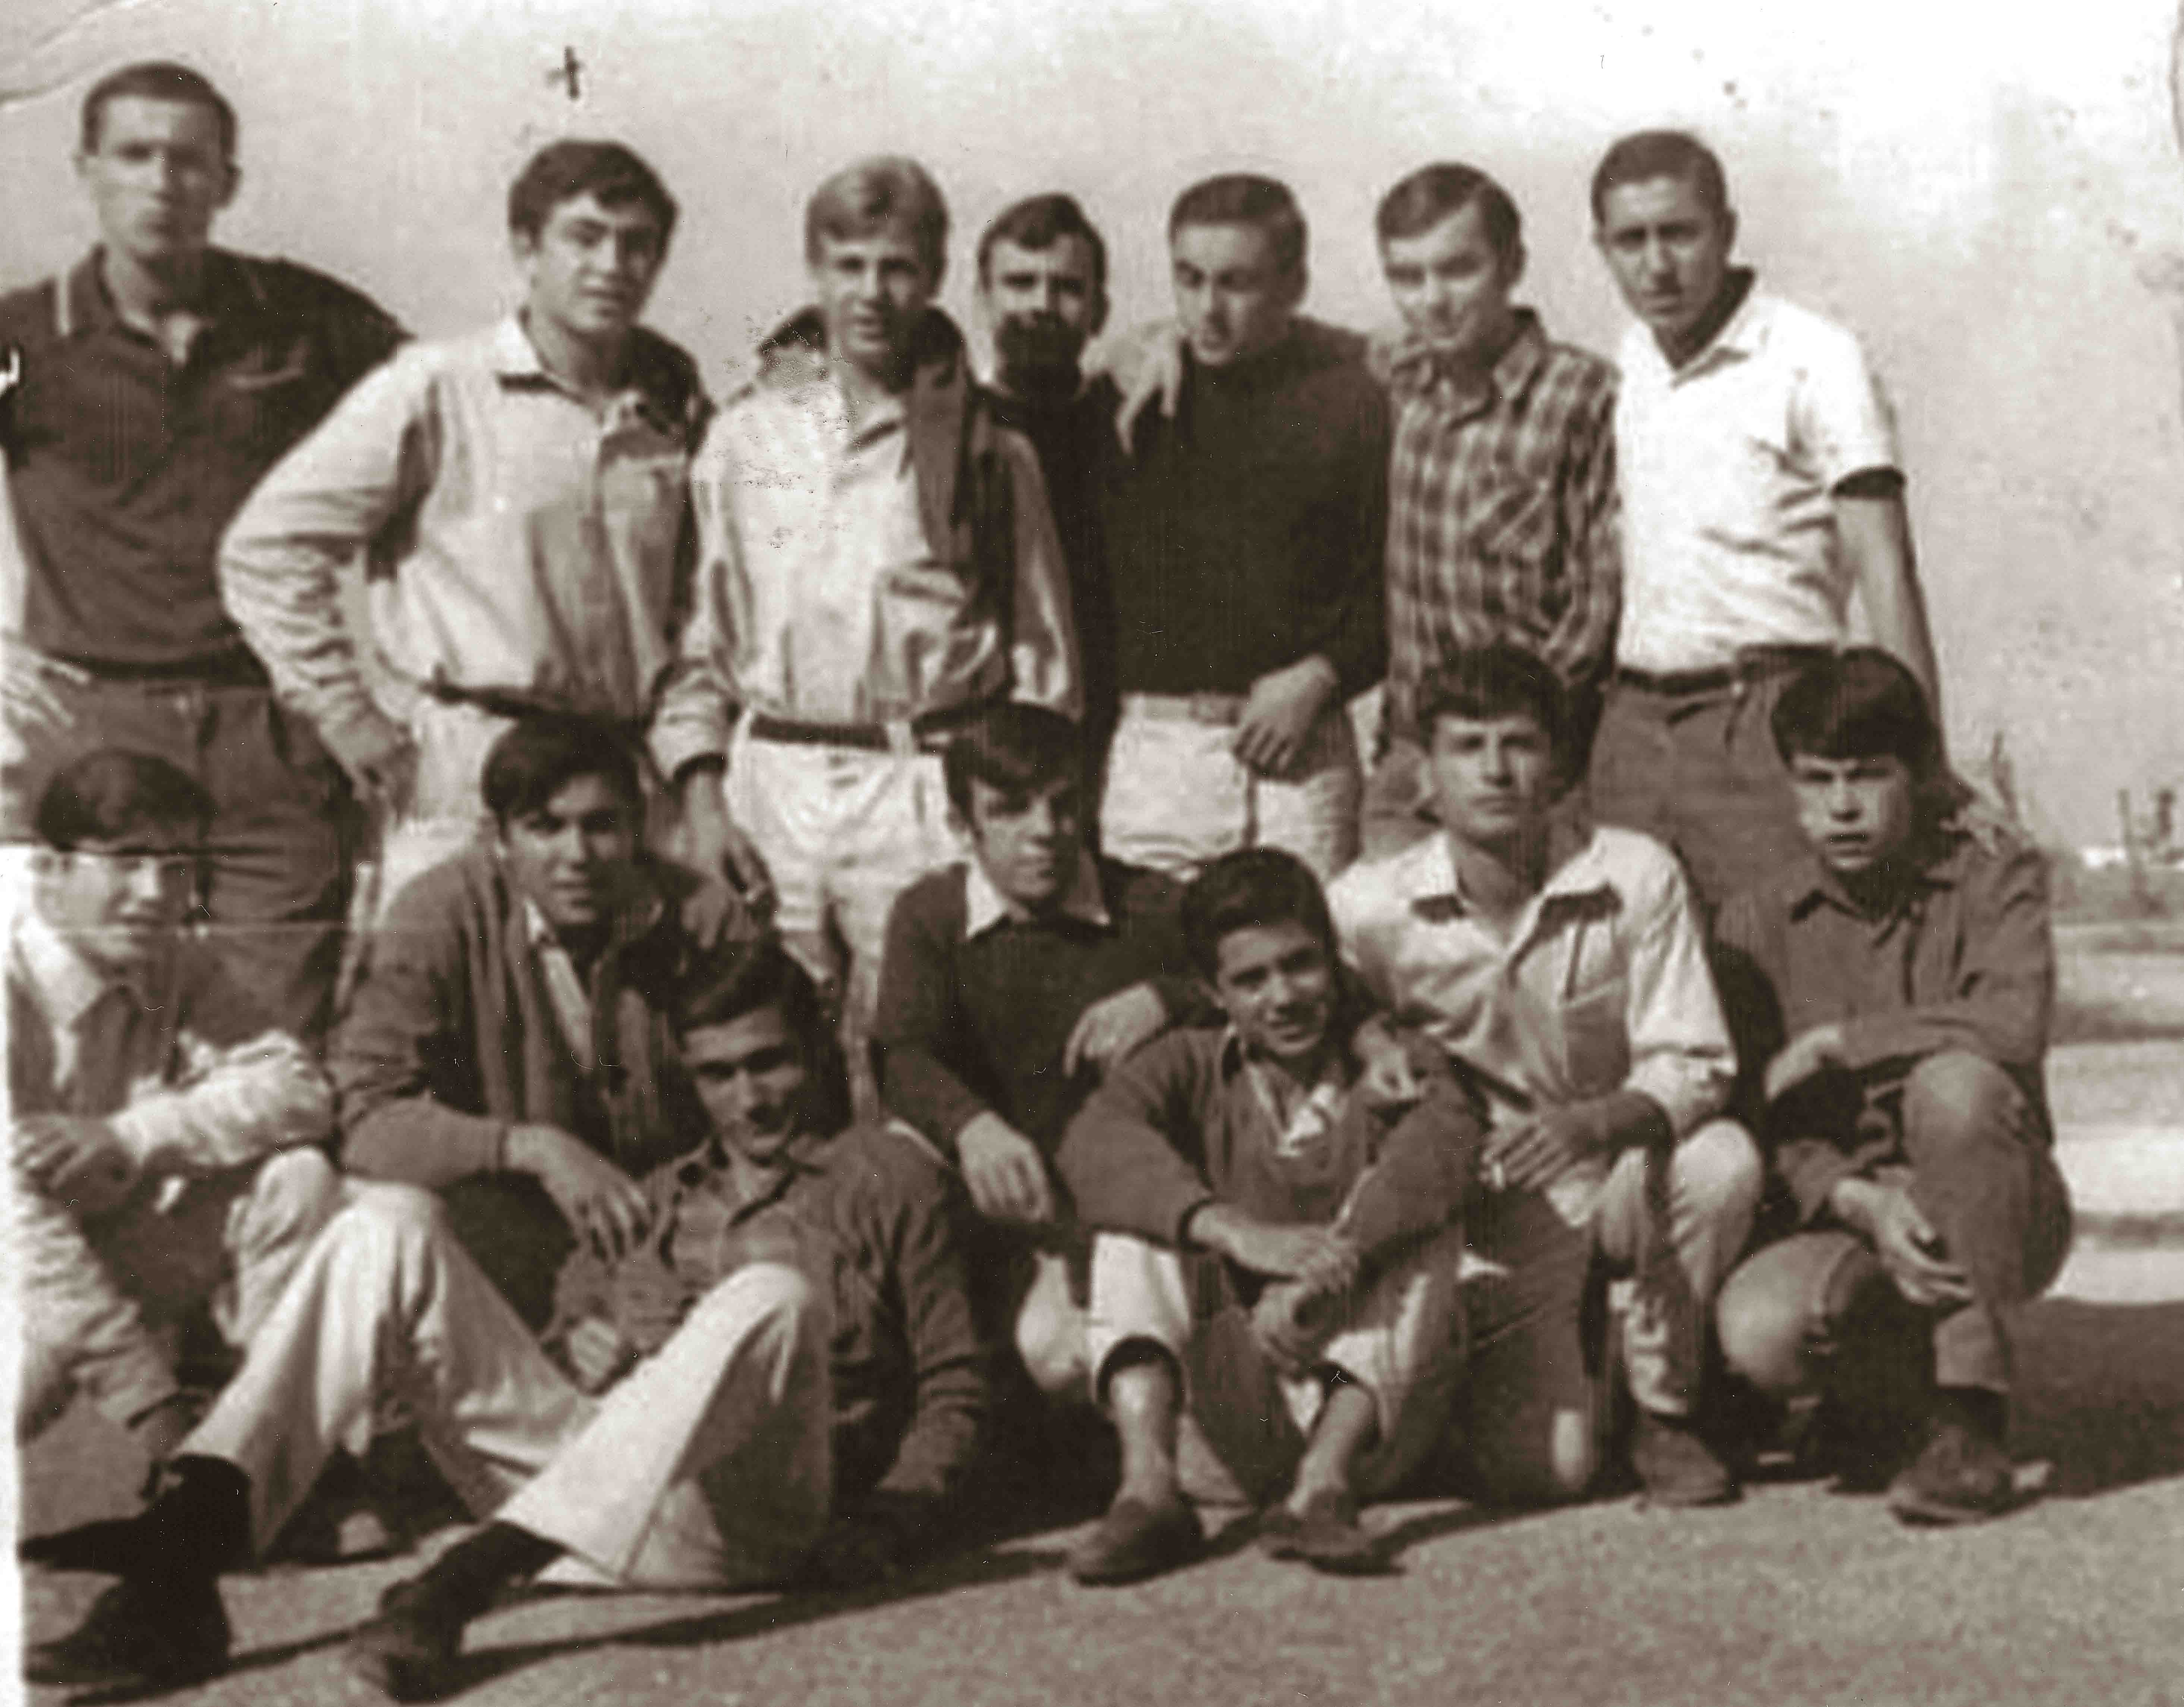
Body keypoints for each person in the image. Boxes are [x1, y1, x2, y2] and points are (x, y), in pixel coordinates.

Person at [21, 943, 991, 1697]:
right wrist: (590, 1345)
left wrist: (893, 1515)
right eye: (718, 1074)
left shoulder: (887, 1180)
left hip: (750, 1522)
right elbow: (560, 1344)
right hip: (577, 1506)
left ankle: (460, 1584)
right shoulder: (659, 1194)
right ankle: (179, 1572)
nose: (748, 1098)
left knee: (772, 1293)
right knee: (387, 1223)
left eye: (768, 1064)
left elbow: (956, 1381)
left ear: (812, 1051)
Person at [0, 60, 404, 1038]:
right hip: (95, 726)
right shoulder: (24, 338)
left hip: (271, 734)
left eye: (189, 160)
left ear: (228, 181)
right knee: (86, 1029)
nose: (161, 182)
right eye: (134, 155)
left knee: (270, 1042)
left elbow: (453, 426)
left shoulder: (305, 321)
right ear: (87, 169)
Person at [655, 155, 1078, 1046]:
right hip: (773, 785)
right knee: (763, 1041)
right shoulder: (744, 438)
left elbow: (1043, 662)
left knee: (925, 1043)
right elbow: (698, 644)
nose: (872, 293)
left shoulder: (987, 448)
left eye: (897, 269)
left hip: (921, 785)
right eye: (849, 266)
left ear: (934, 276)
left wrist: (1008, 817)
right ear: (815, 270)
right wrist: (703, 801)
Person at [220, 139, 708, 909]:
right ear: (527, 249)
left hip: (614, 776)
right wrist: (347, 715)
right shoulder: (441, 386)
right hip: (469, 769)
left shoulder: (669, 413)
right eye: (584, 238)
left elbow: (691, 614)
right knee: (444, 976)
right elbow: (267, 549)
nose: (611, 266)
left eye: (636, 245)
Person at [1328, 645, 1761, 1506]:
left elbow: (1695, 1061)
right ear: (1424, 776)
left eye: (1519, 743)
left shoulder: (1633, 872)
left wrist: (1589, 1124)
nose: (1495, 771)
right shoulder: (1368, 905)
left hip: (1616, 1174)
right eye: (1467, 746)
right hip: (1489, 1208)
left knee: (1720, 1162)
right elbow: (1299, 1001)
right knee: (1548, 1471)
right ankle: (1547, 1358)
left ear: (1559, 765)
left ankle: (1662, 1408)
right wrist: (1367, 1036)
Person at [1711, 649, 2070, 1525]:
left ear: (1918, 777)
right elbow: (1764, 1115)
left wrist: (1844, 1044)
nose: (1841, 806)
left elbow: (2014, 1024)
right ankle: (1881, 1399)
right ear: (1790, 785)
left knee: (1953, 1087)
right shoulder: (1754, 918)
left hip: (1998, 1198)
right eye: (1817, 779)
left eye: (1868, 776)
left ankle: (1968, 1422)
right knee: (1760, 1331)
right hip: (1856, 1212)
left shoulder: (1993, 873)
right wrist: (1860, 1201)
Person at [1057, 848, 1482, 1584]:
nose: (1282, 997)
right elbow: (1094, 1142)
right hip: (1229, 1422)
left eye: (1300, 966)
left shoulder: (1390, 1063)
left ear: (1334, 966)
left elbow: (1448, 1142)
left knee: (1427, 1225)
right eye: (1251, 980)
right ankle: (1148, 1492)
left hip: (1365, 1416)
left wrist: (1327, 1269)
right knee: (1137, 1216)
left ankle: (1320, 1492)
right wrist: (1233, 1230)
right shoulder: (1185, 1063)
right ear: (1212, 993)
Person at [1583, 129, 1944, 908]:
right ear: (1602, 248)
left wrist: (1922, 761)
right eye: (1631, 240)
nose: (1657, 265)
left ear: (1727, 231)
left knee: (1777, 953)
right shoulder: (1633, 359)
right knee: (1631, 960)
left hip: (1766, 717)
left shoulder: (1815, 355)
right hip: (1635, 727)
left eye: (1679, 233)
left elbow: (1885, 566)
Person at [331, 714, 756, 1333]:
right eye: (545, 828)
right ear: (499, 838)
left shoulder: (702, 918)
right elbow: (365, 1118)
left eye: (601, 826)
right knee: (387, 1219)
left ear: (639, 826)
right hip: (512, 1233)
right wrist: (528, 1148)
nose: (576, 856)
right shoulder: (439, 914)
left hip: (674, 1232)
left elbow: (786, 1108)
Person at [9, 750, 338, 1477]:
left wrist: (129, 1135)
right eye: (126, 861)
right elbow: (20, 1230)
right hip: (23, 1269)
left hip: (96, 1243)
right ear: (50, 870)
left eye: (178, 866)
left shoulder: (171, 958)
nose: (155, 893)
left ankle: (268, 1458)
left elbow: (299, 1088)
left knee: (296, 1179)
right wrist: (153, 1406)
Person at [873, 703, 1200, 1402]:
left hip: (1116, 1207)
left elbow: (1289, 968)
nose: (1045, 831)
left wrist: (1169, 996)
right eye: (1010, 810)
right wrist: (971, 1126)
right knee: (891, 1167)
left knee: (1068, 1361)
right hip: (1000, 1200)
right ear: (962, 825)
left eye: (1063, 804)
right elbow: (901, 1055)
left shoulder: (1148, 905)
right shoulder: (932, 915)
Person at [1093, 174, 1388, 882]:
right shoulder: (1130, 396)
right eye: (1189, 279)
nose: (1207, 309)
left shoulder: (1355, 402)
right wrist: (1130, 348)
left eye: (1236, 283)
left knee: (1302, 950)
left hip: (1297, 760)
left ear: (1294, 284)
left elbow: (1397, 586)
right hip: (1156, 765)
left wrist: (1325, 674)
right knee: (1148, 948)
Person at [1365, 162, 1620, 856]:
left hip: (1531, 770)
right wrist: (1154, 344)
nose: (1432, 300)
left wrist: (1502, 741)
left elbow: (1594, 612)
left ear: (1512, 266)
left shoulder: (1584, 396)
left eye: (1458, 271)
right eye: (1407, 277)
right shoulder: (1405, 383)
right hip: (1410, 767)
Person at [974, 193, 1123, 773]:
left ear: (1099, 310)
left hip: (1115, 743)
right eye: (1019, 283)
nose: (1041, 304)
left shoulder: (1129, 422)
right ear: (982, 299)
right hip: (989, 748)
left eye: (1066, 288)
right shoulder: (950, 429)